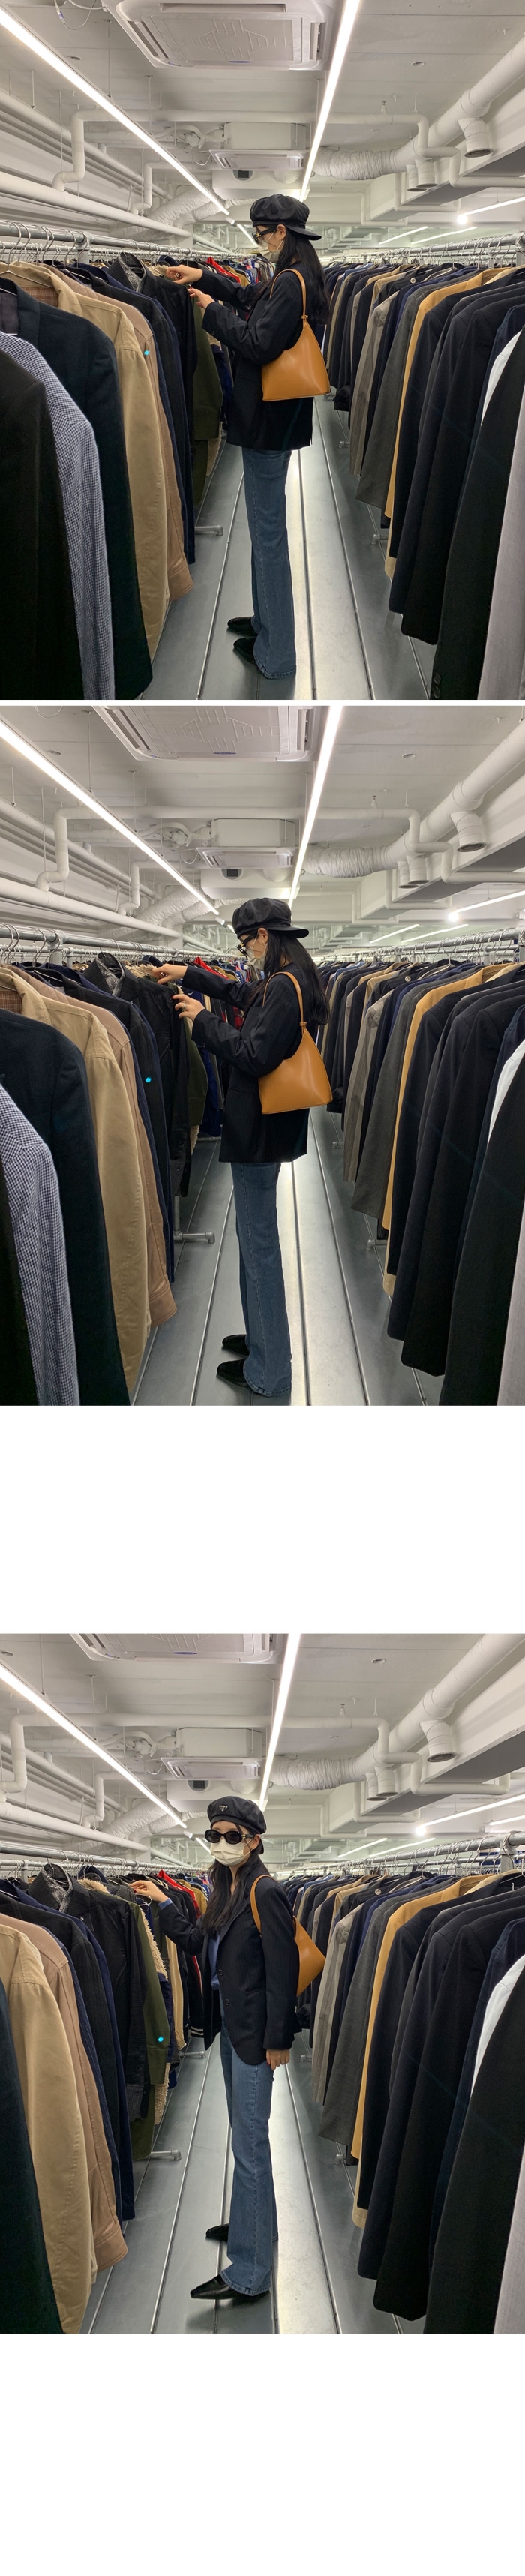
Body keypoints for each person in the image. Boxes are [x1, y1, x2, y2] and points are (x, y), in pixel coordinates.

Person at [170, 896, 329, 1402]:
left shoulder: (283, 985)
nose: (245, 952)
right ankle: (263, 1339)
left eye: (245, 943)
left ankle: (270, 1370)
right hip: (267, 1127)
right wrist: (192, 975)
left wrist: (202, 1021)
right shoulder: (288, 979)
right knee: (253, 1239)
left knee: (259, 1246)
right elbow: (245, 995)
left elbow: (254, 1054)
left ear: (263, 935)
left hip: (259, 1129)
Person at [170, 195, 330, 682]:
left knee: (268, 535)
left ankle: (277, 654)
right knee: (266, 530)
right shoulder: (297, 275)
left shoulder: (291, 281)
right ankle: (266, 625)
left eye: (262, 233)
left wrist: (212, 313)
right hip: (276, 418)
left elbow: (257, 344)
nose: (259, 242)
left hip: (268, 420)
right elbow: (251, 298)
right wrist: (205, 280)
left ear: (281, 232)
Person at [160, 1796, 298, 2306]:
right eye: (214, 1835)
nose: (222, 1843)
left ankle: (250, 2271)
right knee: (246, 2135)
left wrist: (279, 2039)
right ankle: (255, 2225)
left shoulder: (265, 1890)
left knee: (250, 2145)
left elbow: (283, 1969)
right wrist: (160, 1905)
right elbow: (200, 1943)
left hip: (256, 2035)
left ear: (254, 1840)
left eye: (232, 1835)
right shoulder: (224, 1889)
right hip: (230, 2025)